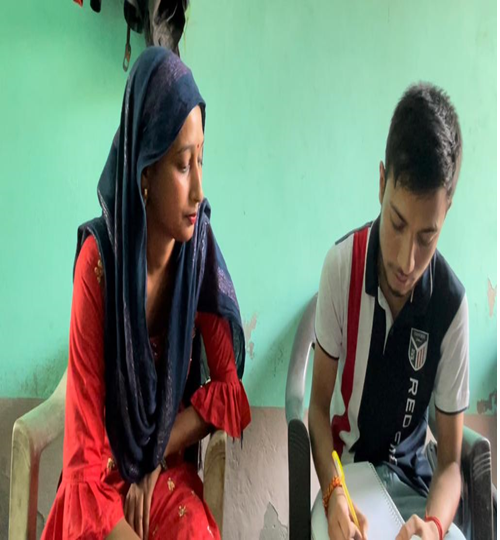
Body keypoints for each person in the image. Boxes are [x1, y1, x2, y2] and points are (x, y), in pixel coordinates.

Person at [41, 46, 251, 540]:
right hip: (97, 484)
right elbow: (83, 456)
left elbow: (228, 389)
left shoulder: (198, 251)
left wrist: (155, 456)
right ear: (145, 173)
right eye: (182, 165)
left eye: (202, 160)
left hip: (162, 477)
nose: (199, 190)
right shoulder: (99, 265)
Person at [309, 83, 468, 540]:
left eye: (427, 237)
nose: (406, 260)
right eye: (397, 223)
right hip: (347, 479)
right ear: (382, 183)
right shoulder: (342, 267)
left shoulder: (451, 306)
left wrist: (433, 527)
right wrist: (333, 492)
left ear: (447, 210)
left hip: (416, 489)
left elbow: (451, 463)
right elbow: (317, 409)